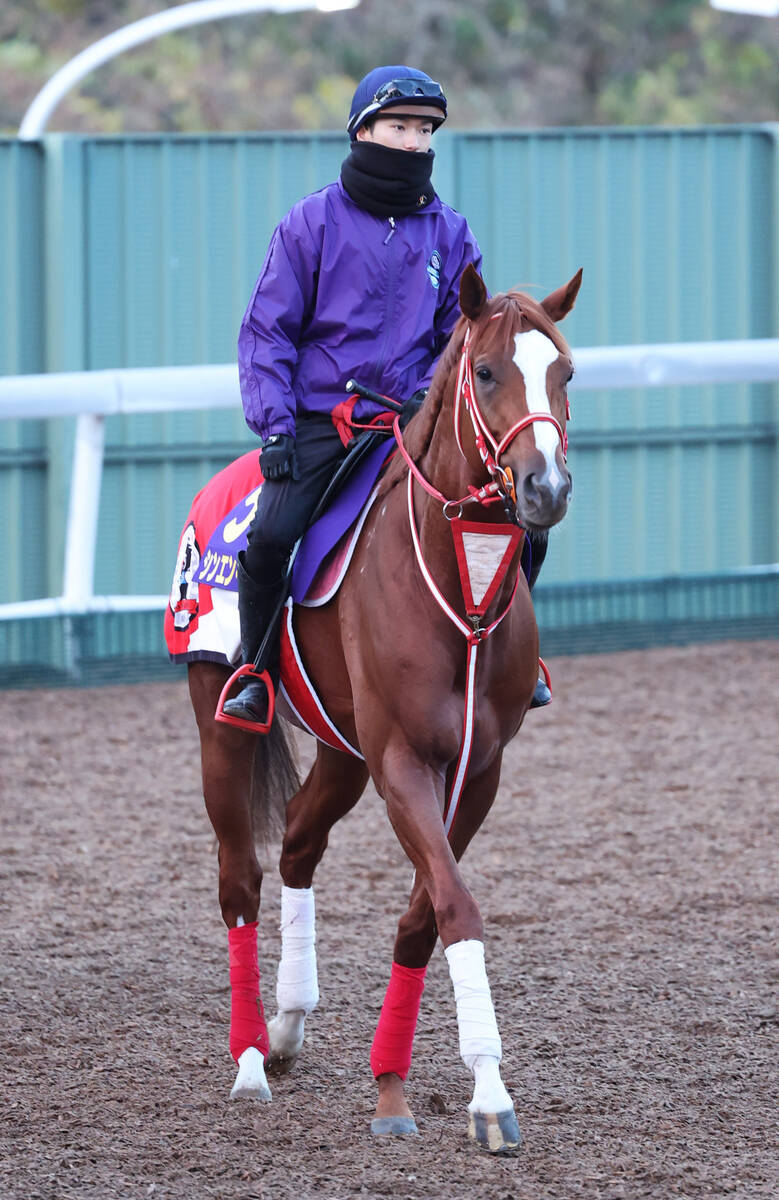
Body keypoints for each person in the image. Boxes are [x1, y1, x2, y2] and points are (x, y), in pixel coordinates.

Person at [223, 65, 550, 726]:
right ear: (363, 129)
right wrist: (276, 427)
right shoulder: (310, 224)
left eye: (424, 130)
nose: (412, 141)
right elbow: (268, 330)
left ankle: (514, 659)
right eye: (399, 126)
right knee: (270, 537)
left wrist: (430, 401)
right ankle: (254, 671)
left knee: (527, 523)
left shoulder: (450, 234)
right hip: (325, 422)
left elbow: (459, 336)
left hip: (415, 423)